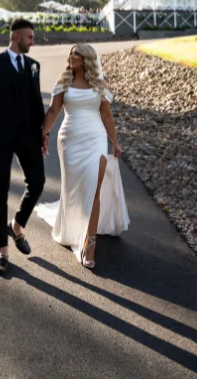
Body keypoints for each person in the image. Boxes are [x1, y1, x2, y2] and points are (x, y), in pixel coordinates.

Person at [36, 44, 129, 269]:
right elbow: (53, 111)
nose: (72, 56)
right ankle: (72, 228)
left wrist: (115, 142)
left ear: (87, 58)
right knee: (73, 189)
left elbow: (107, 116)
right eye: (71, 52)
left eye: (77, 53)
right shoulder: (63, 82)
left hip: (95, 139)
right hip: (69, 141)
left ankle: (89, 244)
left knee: (94, 188)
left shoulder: (99, 85)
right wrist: (41, 134)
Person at [0, 18, 46, 275]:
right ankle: (2, 251)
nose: (33, 41)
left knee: (37, 182)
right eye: (29, 37)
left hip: (28, 136)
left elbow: (37, 102)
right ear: (16, 37)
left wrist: (43, 133)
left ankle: (17, 225)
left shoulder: (33, 66)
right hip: (1, 136)